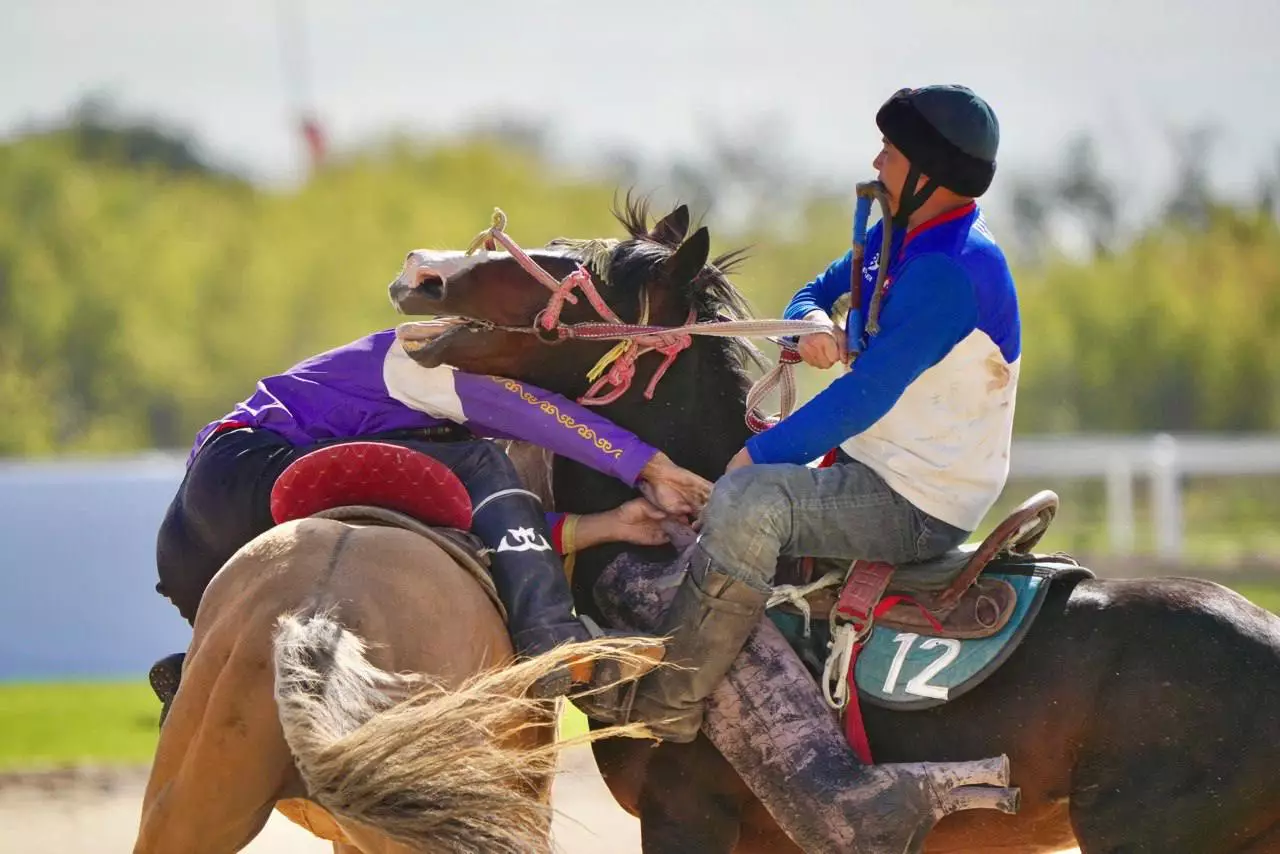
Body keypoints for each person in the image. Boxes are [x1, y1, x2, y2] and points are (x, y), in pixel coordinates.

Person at [631, 84, 1020, 742]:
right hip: (875, 466)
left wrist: (752, 459)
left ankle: (677, 693)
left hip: (915, 504)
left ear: (932, 174)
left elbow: (862, 397)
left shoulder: (947, 272)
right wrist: (811, 322)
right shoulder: (906, 237)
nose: (875, 163)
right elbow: (813, 291)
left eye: (891, 153)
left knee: (752, 500)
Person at [148, 326, 712, 721]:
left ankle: (194, 672)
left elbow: (482, 526)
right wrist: (650, 466)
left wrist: (609, 525)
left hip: (190, 547)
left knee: (473, 489)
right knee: (484, 465)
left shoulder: (380, 422)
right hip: (255, 471)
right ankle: (553, 641)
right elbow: (531, 411)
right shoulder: (415, 352)